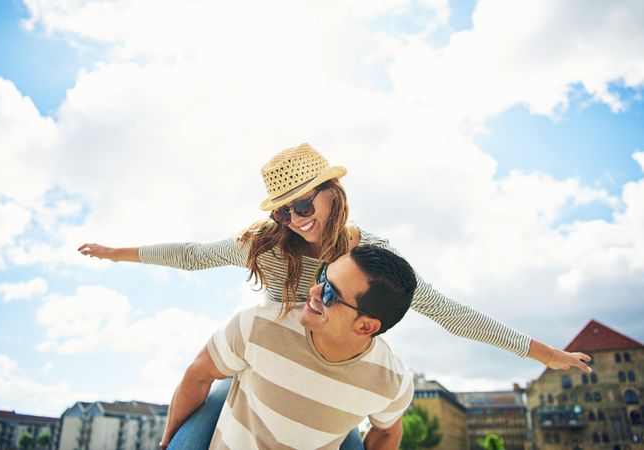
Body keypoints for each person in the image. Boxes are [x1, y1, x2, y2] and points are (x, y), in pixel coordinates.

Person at [78, 143, 592, 449]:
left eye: (304, 203)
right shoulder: (269, 246)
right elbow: (192, 253)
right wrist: (115, 252)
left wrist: (544, 353)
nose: (296, 218)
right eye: (284, 211)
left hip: (336, 386)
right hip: (264, 373)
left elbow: (448, 312)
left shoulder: (370, 259)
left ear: (332, 192)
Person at [178, 245, 417, 449]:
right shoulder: (260, 325)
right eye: (323, 276)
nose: (313, 291)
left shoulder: (390, 383)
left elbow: (387, 431)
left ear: (365, 327)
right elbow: (199, 374)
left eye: (330, 294)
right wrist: (169, 442)